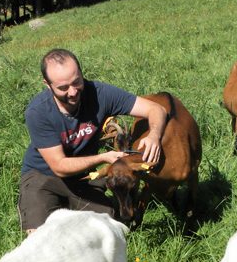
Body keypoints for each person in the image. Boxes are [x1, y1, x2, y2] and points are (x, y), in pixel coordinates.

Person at [19, 48, 168, 234]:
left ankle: (73, 204)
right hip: (42, 175)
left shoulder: (99, 93)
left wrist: (154, 135)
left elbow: (156, 109)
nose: (73, 92)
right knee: (39, 238)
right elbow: (59, 166)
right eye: (63, 88)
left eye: (76, 82)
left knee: (110, 230)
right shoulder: (38, 112)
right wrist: (103, 158)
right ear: (47, 85)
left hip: (81, 176)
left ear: (81, 73)